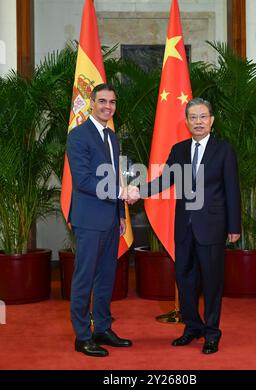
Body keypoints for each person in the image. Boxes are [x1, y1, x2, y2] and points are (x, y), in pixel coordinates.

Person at [141, 97, 241, 354]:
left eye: (203, 117)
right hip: (184, 226)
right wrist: (138, 190)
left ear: (211, 120)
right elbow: (164, 181)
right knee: (184, 280)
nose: (198, 122)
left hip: (212, 227)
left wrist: (234, 226)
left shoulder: (224, 150)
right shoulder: (179, 149)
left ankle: (212, 332)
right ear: (186, 122)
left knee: (211, 282)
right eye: (193, 118)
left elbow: (232, 190)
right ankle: (192, 327)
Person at [67, 83, 137, 357]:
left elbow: (115, 174)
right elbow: (83, 180)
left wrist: (120, 213)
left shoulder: (112, 136)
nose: (108, 106)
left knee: (106, 277)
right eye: (103, 101)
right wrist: (121, 193)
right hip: (88, 218)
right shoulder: (78, 136)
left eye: (112, 102)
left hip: (110, 218)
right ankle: (82, 335)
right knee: (84, 278)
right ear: (92, 103)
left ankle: (102, 328)